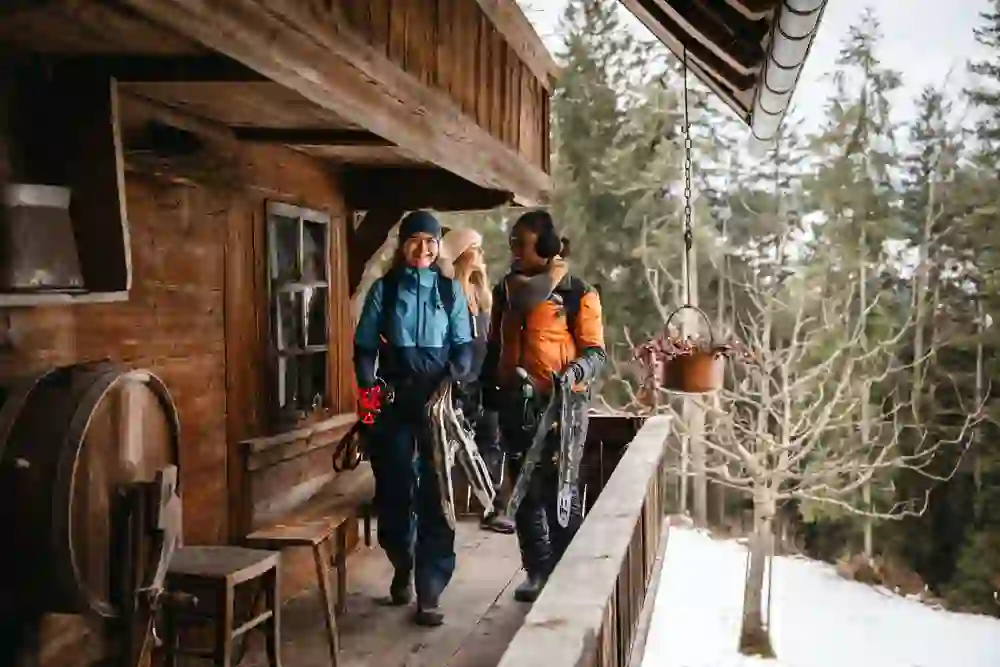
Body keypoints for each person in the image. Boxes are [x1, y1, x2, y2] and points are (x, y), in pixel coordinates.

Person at [353, 210, 473, 627]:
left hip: (436, 405)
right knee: (395, 490)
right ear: (402, 245)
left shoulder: (449, 290)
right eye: (415, 240)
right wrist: (370, 400)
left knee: (437, 495)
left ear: (439, 247)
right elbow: (365, 348)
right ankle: (402, 562)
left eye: (431, 241)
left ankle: (430, 589)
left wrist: (452, 379)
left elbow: (464, 347)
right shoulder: (384, 292)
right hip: (393, 405)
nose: (424, 248)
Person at [482, 210, 606, 603]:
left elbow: (597, 353)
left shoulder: (577, 293)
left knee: (560, 493)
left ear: (546, 247)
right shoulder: (504, 290)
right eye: (512, 242)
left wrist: (571, 376)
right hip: (513, 405)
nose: (514, 249)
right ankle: (537, 571)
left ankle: (567, 574)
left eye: (522, 242)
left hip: (561, 409)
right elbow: (493, 345)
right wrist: (489, 392)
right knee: (524, 494)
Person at [438, 228, 516, 534]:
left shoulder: (482, 296)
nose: (481, 255)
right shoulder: (446, 294)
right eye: (476, 248)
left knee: (490, 445)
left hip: (485, 383)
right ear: (462, 254)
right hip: (456, 386)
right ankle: (440, 514)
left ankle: (492, 510)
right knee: (448, 451)